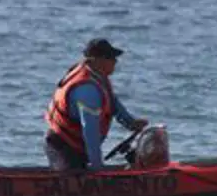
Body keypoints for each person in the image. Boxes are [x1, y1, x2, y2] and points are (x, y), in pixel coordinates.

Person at [44, 38, 148, 172]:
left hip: (78, 146)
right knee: (75, 179)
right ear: (96, 60)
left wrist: (131, 123)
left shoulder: (98, 76)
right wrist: (97, 168)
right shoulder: (87, 90)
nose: (115, 61)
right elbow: (90, 132)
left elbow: (113, 103)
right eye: (110, 58)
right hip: (62, 145)